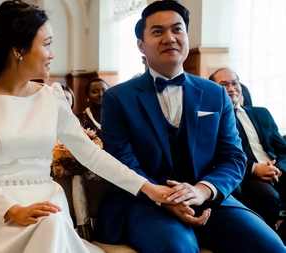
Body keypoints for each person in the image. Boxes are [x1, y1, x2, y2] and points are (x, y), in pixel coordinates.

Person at [0, 1, 179, 252]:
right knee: (47, 223)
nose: (52, 54)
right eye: (47, 44)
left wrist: (146, 187)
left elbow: (91, 153)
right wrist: (12, 210)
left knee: (50, 220)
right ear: (18, 50)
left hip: (47, 198)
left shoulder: (52, 97)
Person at [93, 1, 286, 252]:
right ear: (141, 45)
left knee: (271, 247)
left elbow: (234, 157)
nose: (169, 38)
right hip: (145, 201)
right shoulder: (118, 98)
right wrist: (164, 198)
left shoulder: (215, 94)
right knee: (178, 249)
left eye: (177, 29)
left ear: (186, 36)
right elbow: (122, 160)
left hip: (209, 199)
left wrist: (202, 191)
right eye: (157, 31)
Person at [209, 67, 286, 233]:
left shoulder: (262, 113)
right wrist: (254, 168)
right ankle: (269, 237)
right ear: (214, 88)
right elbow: (216, 155)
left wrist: (278, 169)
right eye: (224, 85)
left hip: (275, 169)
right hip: (246, 173)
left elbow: (283, 149)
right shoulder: (213, 119)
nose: (231, 88)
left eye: (234, 83)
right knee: (269, 198)